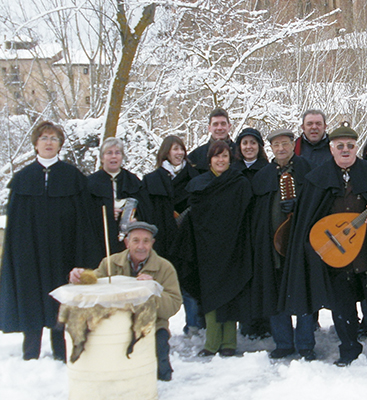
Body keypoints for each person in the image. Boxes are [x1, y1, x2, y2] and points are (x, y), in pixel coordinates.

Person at [280, 123, 367, 374]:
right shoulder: (317, 178)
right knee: (343, 310)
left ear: (356, 148)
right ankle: (349, 350)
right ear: (331, 149)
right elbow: (309, 218)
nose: (345, 150)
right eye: (339, 146)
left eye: (350, 146)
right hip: (336, 257)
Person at [0, 121, 95, 361]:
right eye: (44, 138)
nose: (49, 142)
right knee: (31, 297)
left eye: (53, 138)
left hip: (63, 253)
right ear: (35, 143)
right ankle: (31, 354)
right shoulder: (22, 179)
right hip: (30, 254)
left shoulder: (73, 177)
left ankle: (62, 354)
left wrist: (81, 259)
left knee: (60, 301)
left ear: (60, 144)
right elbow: (15, 228)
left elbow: (84, 222)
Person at [68, 221, 182, 381]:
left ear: (152, 243)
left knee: (160, 370)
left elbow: (174, 305)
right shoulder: (110, 263)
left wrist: (151, 291)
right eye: (136, 240)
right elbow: (93, 283)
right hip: (114, 325)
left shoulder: (165, 268)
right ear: (127, 242)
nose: (141, 246)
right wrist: (79, 276)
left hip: (152, 326)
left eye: (146, 241)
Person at [176, 140, 253, 357]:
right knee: (210, 295)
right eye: (216, 156)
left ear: (231, 159)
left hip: (233, 246)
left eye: (225, 156)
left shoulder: (239, 183)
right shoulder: (199, 184)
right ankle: (212, 343)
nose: (220, 160)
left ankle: (229, 342)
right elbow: (195, 217)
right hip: (206, 248)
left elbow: (245, 215)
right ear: (209, 159)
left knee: (230, 293)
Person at [249, 128, 316, 360]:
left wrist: (299, 207)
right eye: (276, 145)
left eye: (285, 144)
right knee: (276, 294)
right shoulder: (263, 176)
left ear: (292, 144)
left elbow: (316, 204)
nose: (281, 149)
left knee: (303, 293)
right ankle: (284, 343)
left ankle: (306, 343)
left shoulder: (307, 170)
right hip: (272, 248)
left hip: (301, 245)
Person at [142, 135, 201, 336]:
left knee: (190, 285)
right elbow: (147, 212)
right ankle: (158, 328)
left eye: (181, 149)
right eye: (174, 149)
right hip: (163, 241)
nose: (179, 153)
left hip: (188, 241)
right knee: (159, 285)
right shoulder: (152, 180)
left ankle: (194, 326)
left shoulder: (194, 177)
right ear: (166, 152)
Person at [230, 127, 271, 339]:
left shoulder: (268, 170)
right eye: (245, 143)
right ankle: (246, 323)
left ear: (259, 146)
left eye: (253, 143)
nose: (248, 147)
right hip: (239, 232)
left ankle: (265, 323)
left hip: (262, 231)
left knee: (263, 277)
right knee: (243, 278)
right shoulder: (232, 170)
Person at [86, 137, 152, 266]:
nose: (113, 156)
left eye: (117, 152)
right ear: (102, 157)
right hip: (100, 239)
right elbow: (85, 213)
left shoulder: (133, 181)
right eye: (109, 153)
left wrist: (136, 218)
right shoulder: (90, 183)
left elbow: (146, 210)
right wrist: (106, 213)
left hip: (128, 242)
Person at [187, 108, 237, 174]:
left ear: (229, 126)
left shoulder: (239, 153)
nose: (219, 128)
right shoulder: (196, 156)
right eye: (215, 124)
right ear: (209, 128)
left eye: (223, 124)